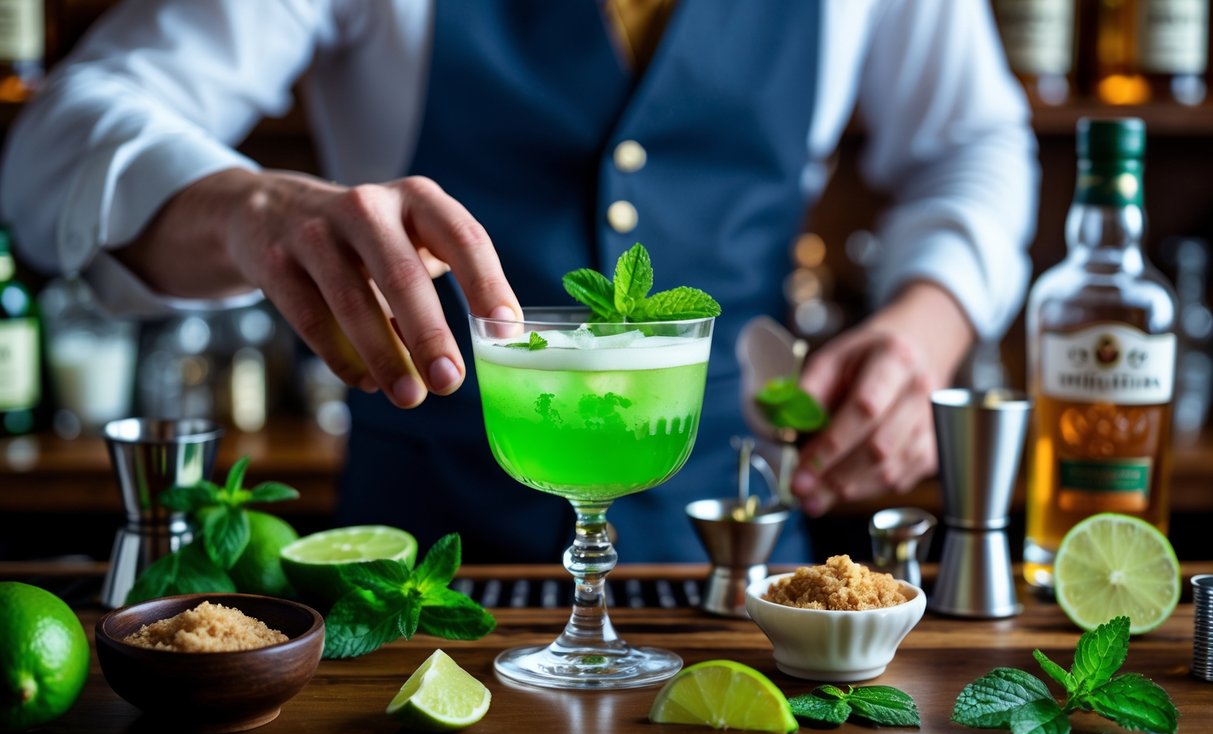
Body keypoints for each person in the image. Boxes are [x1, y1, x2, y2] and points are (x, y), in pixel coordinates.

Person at [0, 0, 1038, 564]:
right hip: (418, 572)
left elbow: (975, 139)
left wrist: (929, 319)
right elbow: (57, 138)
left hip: (750, 562)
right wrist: (249, 212)